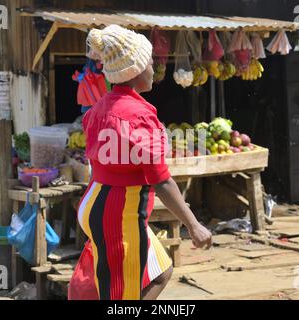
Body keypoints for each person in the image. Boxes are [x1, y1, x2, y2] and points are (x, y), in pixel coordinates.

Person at [76, 25, 212, 301]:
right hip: (119, 215)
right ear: (136, 70)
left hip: (96, 206)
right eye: (150, 62)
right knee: (120, 298)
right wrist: (193, 225)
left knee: (161, 271)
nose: (153, 68)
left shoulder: (99, 109)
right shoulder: (140, 116)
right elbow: (161, 181)